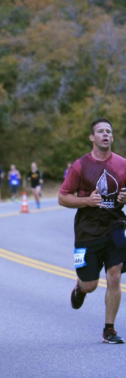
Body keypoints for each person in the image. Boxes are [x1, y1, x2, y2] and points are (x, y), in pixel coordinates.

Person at [59, 118, 126, 344]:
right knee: (91, 284)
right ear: (92, 137)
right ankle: (80, 289)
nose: (105, 134)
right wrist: (87, 201)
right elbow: (62, 197)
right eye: (100, 131)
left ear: (112, 137)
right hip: (87, 230)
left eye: (108, 131)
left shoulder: (122, 164)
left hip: (114, 226)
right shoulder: (80, 166)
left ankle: (109, 329)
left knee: (114, 276)